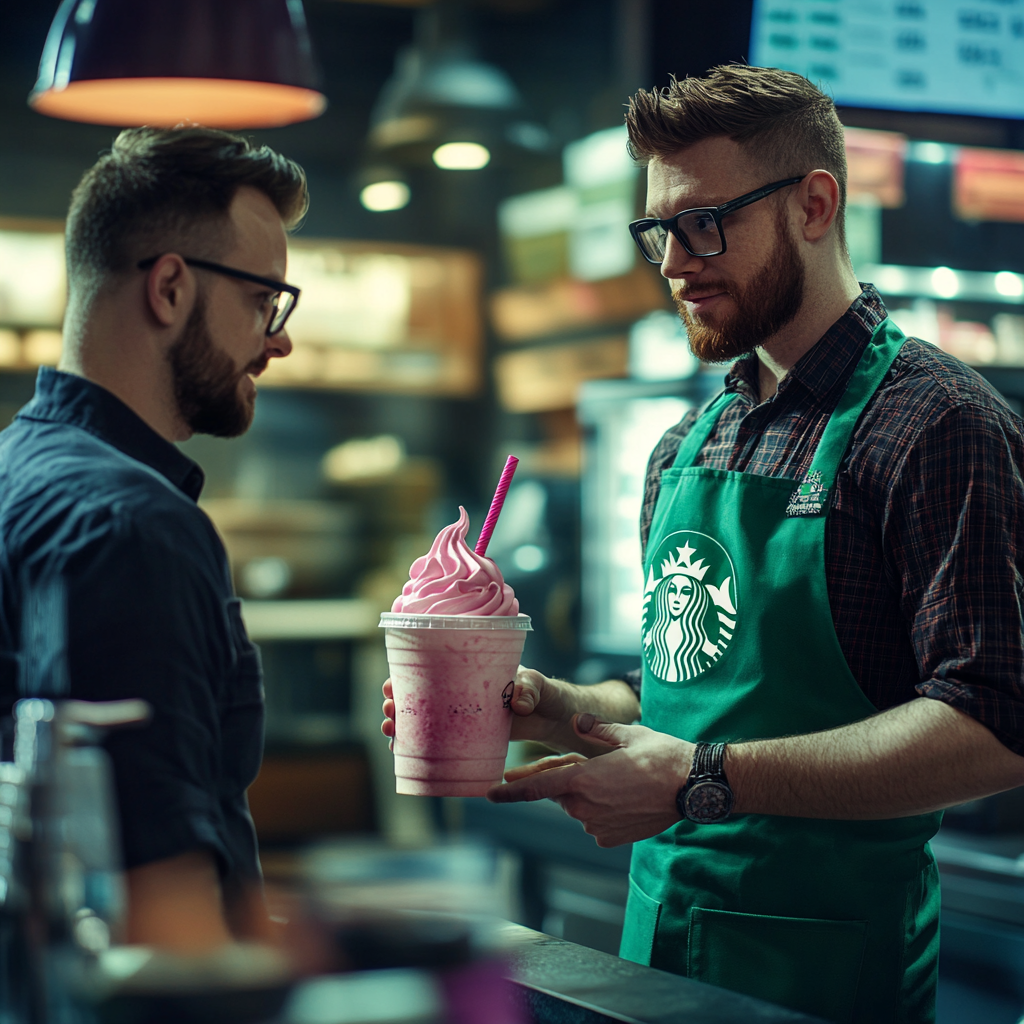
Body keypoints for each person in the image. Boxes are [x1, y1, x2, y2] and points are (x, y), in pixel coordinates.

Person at [382, 65, 1024, 1023]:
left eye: (705, 222)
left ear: (815, 205)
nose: (677, 263)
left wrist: (704, 781)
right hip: (661, 951)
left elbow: (996, 724)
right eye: (659, 232)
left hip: (827, 969)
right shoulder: (688, 445)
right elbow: (676, 689)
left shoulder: (935, 422)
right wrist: (556, 708)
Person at [0, 127, 306, 950]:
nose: (278, 339)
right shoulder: (134, 527)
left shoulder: (12, 475)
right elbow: (155, 898)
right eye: (261, 300)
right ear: (170, 287)